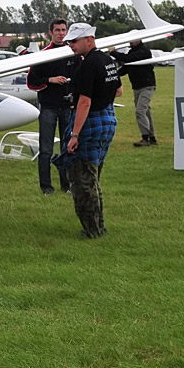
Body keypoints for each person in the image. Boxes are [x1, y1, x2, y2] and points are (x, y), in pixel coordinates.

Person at [62, 22, 122, 239]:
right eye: (69, 41)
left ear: (89, 39)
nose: (70, 44)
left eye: (74, 41)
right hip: (108, 119)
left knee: (82, 179)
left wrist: (74, 134)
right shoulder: (109, 61)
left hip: (90, 122)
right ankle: (100, 226)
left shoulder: (88, 65)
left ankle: (92, 231)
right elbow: (120, 91)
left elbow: (84, 102)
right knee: (93, 177)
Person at [26, 19, 74, 196]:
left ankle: (66, 184)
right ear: (50, 32)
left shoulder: (72, 53)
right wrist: (49, 80)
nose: (61, 33)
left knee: (67, 147)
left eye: (63, 30)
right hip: (48, 108)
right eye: (57, 30)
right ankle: (46, 187)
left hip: (68, 108)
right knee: (46, 149)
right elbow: (31, 82)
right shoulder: (43, 55)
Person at [111, 40, 157, 147]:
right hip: (137, 87)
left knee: (140, 111)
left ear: (139, 40)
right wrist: (113, 75)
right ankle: (152, 137)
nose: (130, 42)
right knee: (146, 111)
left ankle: (145, 138)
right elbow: (126, 67)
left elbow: (127, 59)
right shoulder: (132, 52)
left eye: (132, 40)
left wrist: (113, 52)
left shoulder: (144, 51)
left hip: (147, 85)